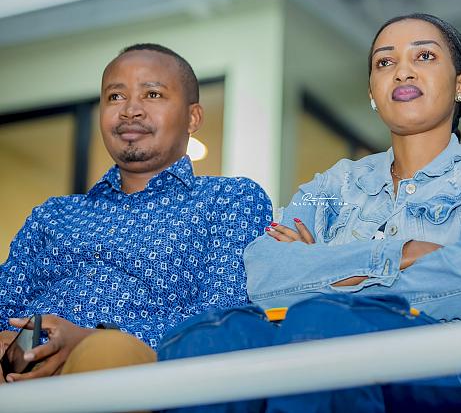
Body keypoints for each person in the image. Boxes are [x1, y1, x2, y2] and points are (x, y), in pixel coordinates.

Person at [158, 14, 461, 412]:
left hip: (455, 373)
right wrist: (399, 254)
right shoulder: (335, 185)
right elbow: (265, 275)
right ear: (373, 92)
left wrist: (328, 279)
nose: (403, 71)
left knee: (323, 322)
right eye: (385, 62)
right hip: (324, 361)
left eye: (424, 56)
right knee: (207, 339)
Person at [0, 43, 272, 384]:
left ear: (193, 117)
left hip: (141, 367)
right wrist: (9, 341)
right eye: (115, 97)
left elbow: (222, 316)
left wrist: (89, 339)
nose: (130, 111)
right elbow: (5, 301)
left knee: (106, 352)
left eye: (152, 94)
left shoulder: (229, 199)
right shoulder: (52, 214)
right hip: (22, 368)